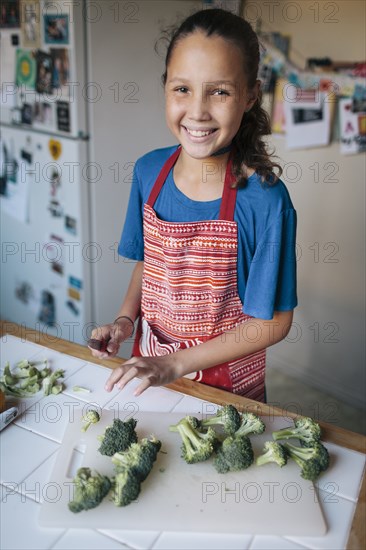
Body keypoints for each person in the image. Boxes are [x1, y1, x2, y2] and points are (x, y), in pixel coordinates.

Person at [89, 9, 297, 402]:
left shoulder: (265, 200)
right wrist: (123, 320)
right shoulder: (149, 172)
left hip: (227, 385)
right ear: (165, 87)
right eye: (182, 88)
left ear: (250, 95)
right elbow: (149, 263)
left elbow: (275, 322)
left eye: (219, 91)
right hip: (150, 363)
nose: (198, 111)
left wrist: (176, 364)